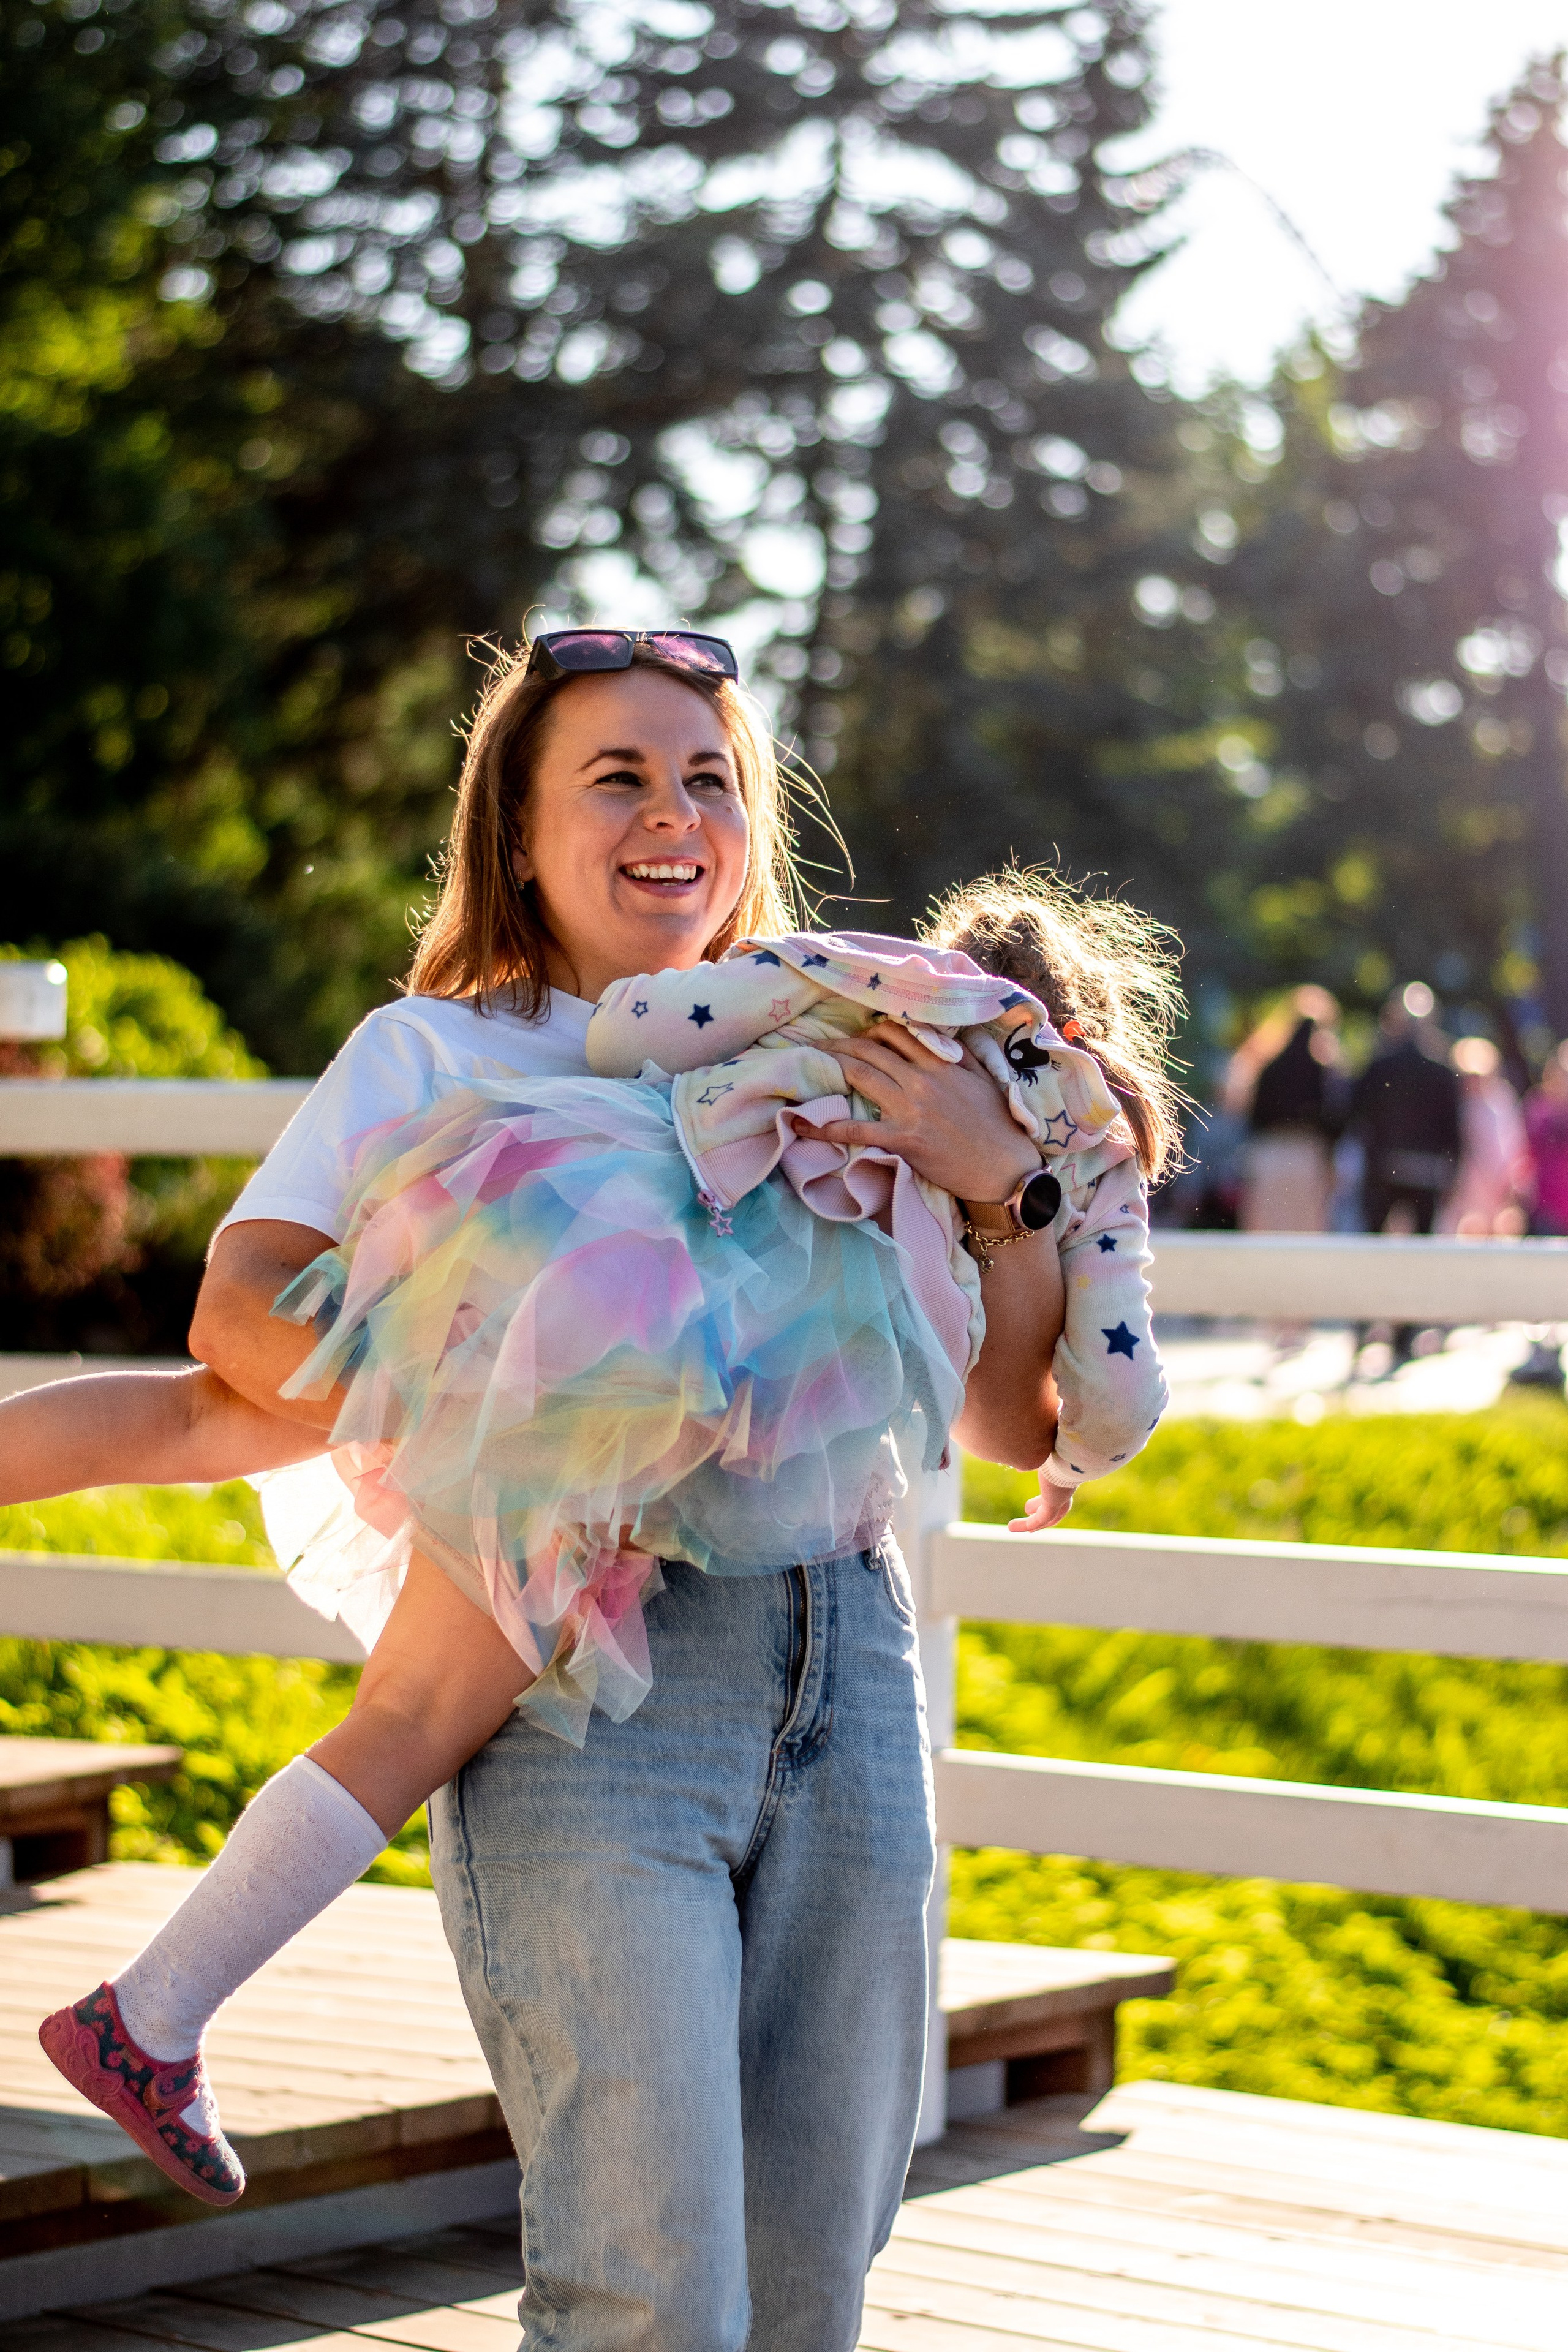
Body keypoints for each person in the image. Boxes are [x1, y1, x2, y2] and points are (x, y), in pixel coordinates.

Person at [10, 632, 1181, 2349]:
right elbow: (231, 1327)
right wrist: (541, 1399)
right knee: (652, 2297)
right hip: (596, 1703)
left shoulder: (846, 1046)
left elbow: (1007, 1420)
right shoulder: (427, 1054)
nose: (673, 815)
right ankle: (159, 2017)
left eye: (708, 778)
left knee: (807, 2294)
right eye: (617, 777)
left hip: (846, 1671)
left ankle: (157, 2014)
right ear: (520, 830)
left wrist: (995, 1184)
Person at [1224, 986, 1345, 1232]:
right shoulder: (1324, 1068)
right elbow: (1335, 1114)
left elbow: (1246, 1109)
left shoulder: (1268, 1064)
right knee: (1305, 1233)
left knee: (1266, 1231)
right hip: (1306, 1154)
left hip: (1268, 1154)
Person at [1347, 982, 1460, 1237]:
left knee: (1374, 1245)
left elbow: (1357, 1114)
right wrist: (1453, 1170)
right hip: (1422, 1172)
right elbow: (1452, 1127)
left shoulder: (1379, 1067)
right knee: (1421, 1252)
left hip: (1385, 1169)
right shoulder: (1441, 1073)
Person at [1438, 1036, 1528, 1236]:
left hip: (1499, 1189)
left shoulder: (1503, 1101)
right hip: (1465, 1190)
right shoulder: (1459, 1105)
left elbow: (1513, 1145)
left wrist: (1511, 1183)